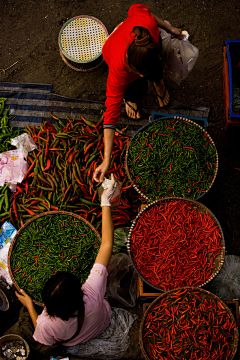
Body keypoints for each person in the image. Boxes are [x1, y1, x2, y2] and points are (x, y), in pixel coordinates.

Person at [14, 174, 116, 349]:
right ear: (80, 292)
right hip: (102, 321)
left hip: (75, 339)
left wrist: (31, 307)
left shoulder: (47, 323)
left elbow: (42, 333)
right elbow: (107, 244)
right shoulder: (92, 291)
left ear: (45, 305)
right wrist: (105, 201)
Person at [93, 4, 182, 183]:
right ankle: (132, 99)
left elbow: (146, 13)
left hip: (140, 42)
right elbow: (111, 114)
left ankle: (158, 82)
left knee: (156, 71)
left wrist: (170, 29)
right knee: (136, 89)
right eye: (141, 73)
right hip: (114, 46)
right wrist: (106, 159)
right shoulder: (119, 70)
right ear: (134, 69)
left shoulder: (146, 29)